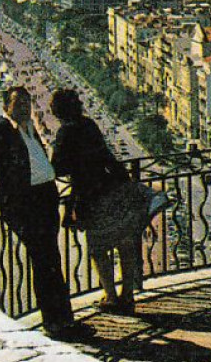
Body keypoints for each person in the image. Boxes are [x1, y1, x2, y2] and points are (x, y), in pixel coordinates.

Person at [0, 85, 78, 337]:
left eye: (27, 102)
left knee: (51, 259)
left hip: (45, 198)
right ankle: (54, 323)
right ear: (6, 106)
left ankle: (64, 320)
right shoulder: (0, 130)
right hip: (23, 204)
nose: (24, 107)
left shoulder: (28, 127)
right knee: (43, 261)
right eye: (18, 103)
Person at [49, 88, 143, 314]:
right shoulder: (89, 124)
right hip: (111, 187)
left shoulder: (65, 132)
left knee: (99, 248)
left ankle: (110, 296)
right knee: (124, 242)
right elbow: (106, 155)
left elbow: (57, 167)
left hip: (89, 195)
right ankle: (127, 294)